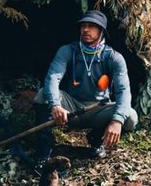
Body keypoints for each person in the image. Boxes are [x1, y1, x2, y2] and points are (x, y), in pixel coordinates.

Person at [32, 9, 138, 167]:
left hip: (98, 109)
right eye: (83, 26)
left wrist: (116, 120)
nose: (86, 29)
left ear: (101, 31)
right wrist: (55, 104)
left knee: (130, 116)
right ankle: (44, 151)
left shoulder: (113, 57)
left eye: (91, 26)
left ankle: (97, 140)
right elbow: (53, 77)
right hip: (71, 108)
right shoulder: (68, 51)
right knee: (42, 95)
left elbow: (123, 91)